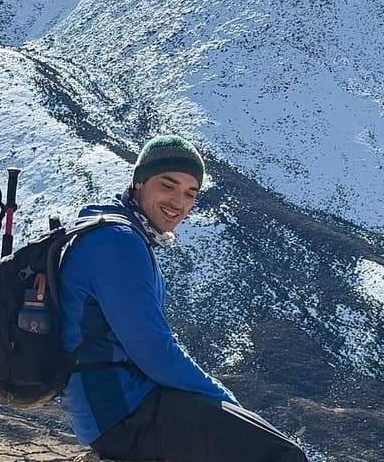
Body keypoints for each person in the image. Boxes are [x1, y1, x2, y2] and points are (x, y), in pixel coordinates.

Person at [57, 135, 309, 462]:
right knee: (283, 456)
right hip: (123, 414)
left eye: (191, 193)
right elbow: (155, 353)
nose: (179, 201)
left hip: (113, 409)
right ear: (139, 183)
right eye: (169, 185)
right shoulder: (118, 242)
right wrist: (225, 400)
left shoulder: (110, 230)